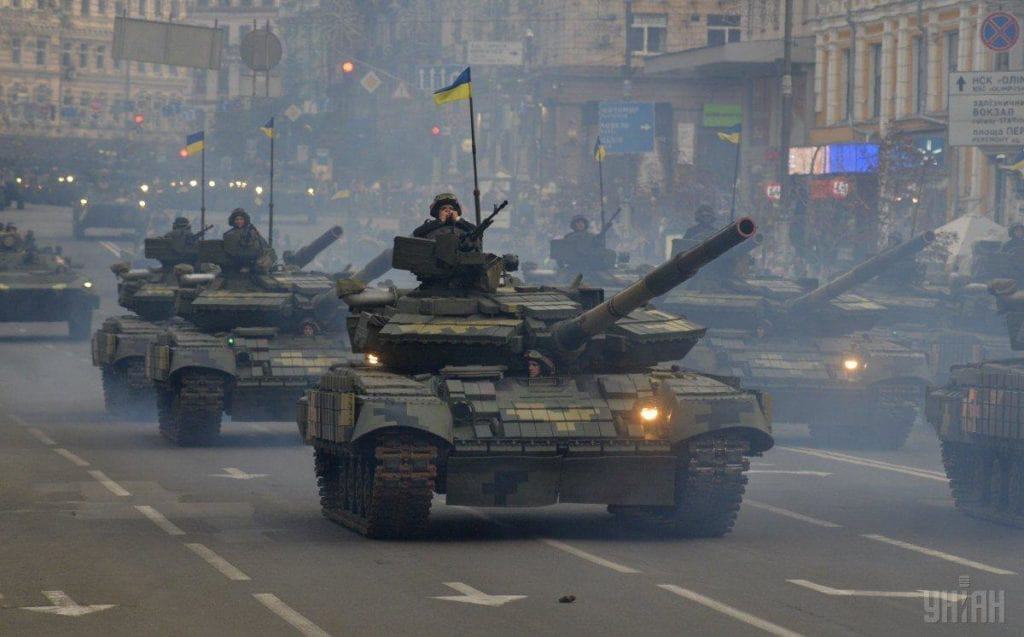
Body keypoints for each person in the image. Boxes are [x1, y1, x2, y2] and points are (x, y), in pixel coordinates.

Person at [413, 193, 479, 250]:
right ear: (438, 212)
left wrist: (458, 220)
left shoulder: (463, 226)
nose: (448, 210)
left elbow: (477, 232)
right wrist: (440, 221)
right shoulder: (430, 226)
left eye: (451, 208)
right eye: (443, 208)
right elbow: (416, 233)